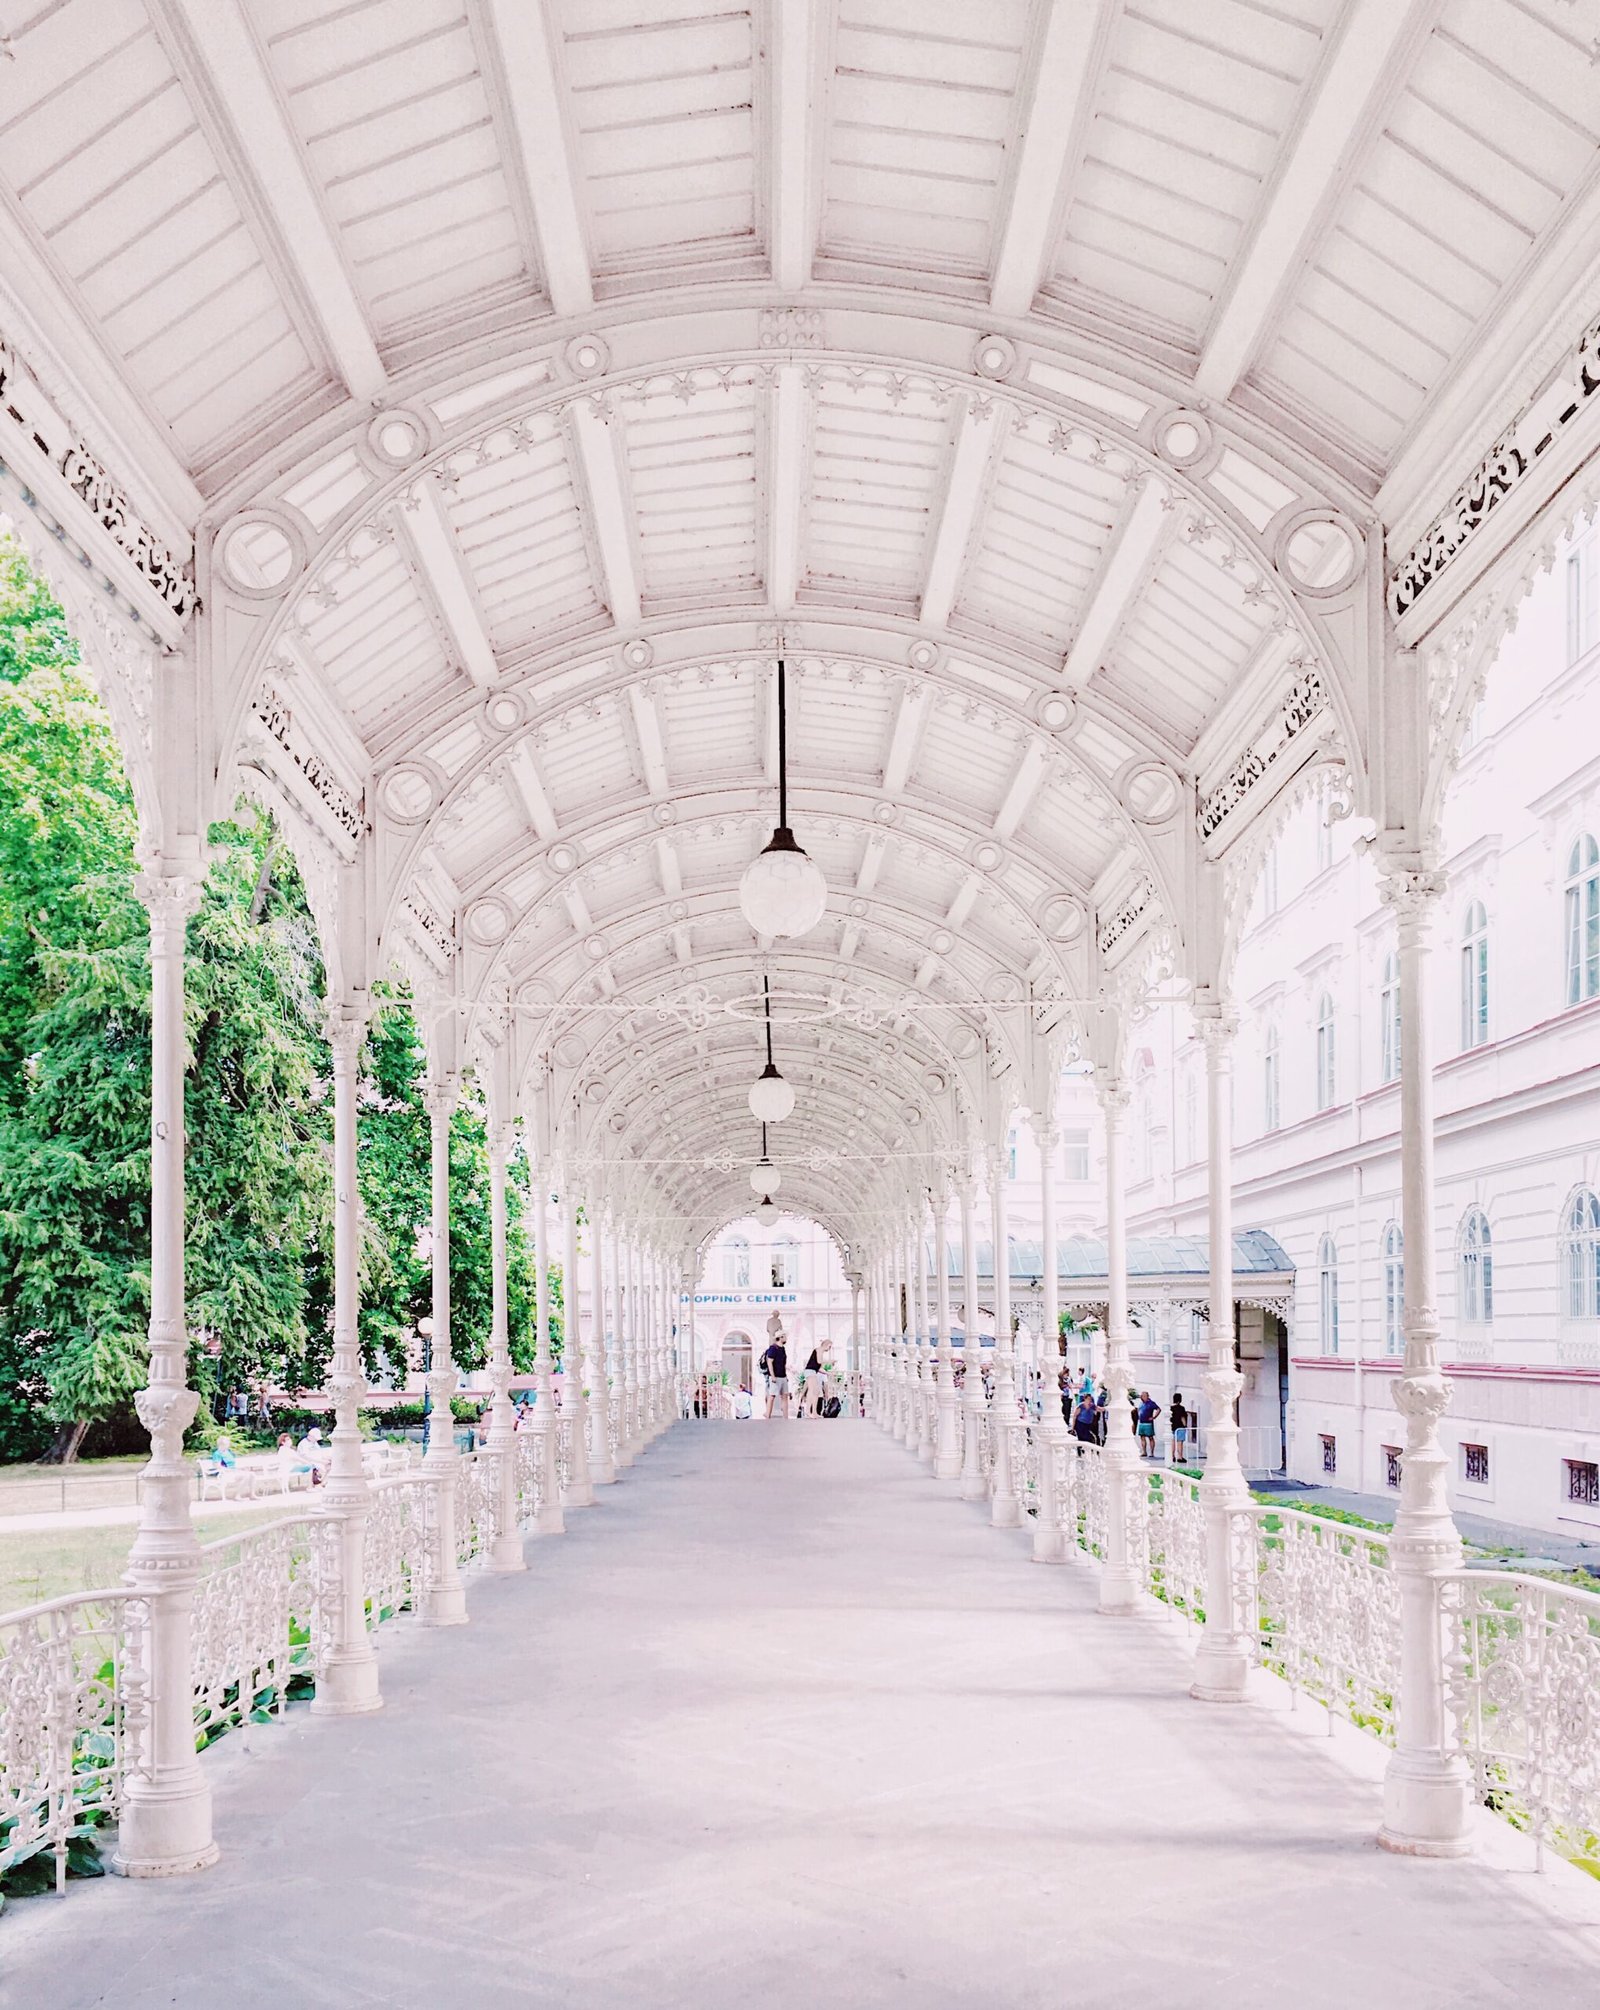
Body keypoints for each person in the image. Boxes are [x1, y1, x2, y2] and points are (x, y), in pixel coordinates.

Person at [760, 1330, 790, 1419]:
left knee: (785, 1396)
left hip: (783, 1376)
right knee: (772, 1396)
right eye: (784, 1336)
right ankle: (768, 1416)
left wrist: (786, 1375)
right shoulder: (773, 1348)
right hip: (775, 1376)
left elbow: (783, 1363)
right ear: (780, 1337)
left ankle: (786, 1417)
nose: (786, 1338)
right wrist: (772, 1376)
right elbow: (770, 1362)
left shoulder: (782, 1349)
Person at [1136, 1390, 1162, 1460]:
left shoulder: (1151, 1403)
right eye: (1141, 1396)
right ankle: (1144, 1452)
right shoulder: (1141, 1403)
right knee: (1142, 1437)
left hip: (1148, 1423)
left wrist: (1154, 1417)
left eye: (1144, 1396)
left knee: (1150, 1437)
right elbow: (1138, 1410)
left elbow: (1159, 1409)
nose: (1142, 1397)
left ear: (1147, 1396)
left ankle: (1152, 1452)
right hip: (1141, 1422)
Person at [1170, 1392, 1190, 1464]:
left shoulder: (1171, 1408)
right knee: (1180, 1442)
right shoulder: (1181, 1408)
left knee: (1173, 1442)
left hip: (1172, 1427)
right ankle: (1180, 1457)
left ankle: (1172, 1456)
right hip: (1180, 1427)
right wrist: (1185, 1426)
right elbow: (1182, 1417)